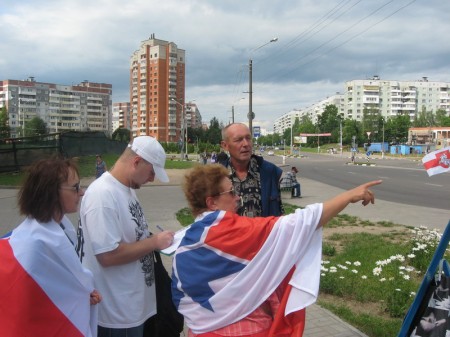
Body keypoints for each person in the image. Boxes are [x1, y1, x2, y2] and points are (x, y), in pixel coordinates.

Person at [172, 164, 381, 337]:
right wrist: (347, 197)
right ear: (212, 202)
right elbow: (300, 223)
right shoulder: (229, 230)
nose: (238, 197)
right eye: (231, 192)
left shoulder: (184, 241)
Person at [78, 136, 175, 337]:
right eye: (151, 172)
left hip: (130, 307)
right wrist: (154, 242)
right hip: (115, 315)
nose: (152, 179)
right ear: (137, 161)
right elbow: (108, 255)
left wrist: (152, 241)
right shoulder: (102, 195)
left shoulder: (126, 189)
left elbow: (132, 237)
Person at [0, 157, 101, 337]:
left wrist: (79, 294)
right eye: (75, 187)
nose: (82, 192)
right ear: (51, 193)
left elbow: (53, 289)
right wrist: (80, 291)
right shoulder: (36, 245)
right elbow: (29, 301)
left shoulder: (56, 229)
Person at [220, 123, 283, 217]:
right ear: (225, 145)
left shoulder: (270, 172)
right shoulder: (217, 177)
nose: (246, 144)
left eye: (248, 138)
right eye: (238, 140)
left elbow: (278, 213)